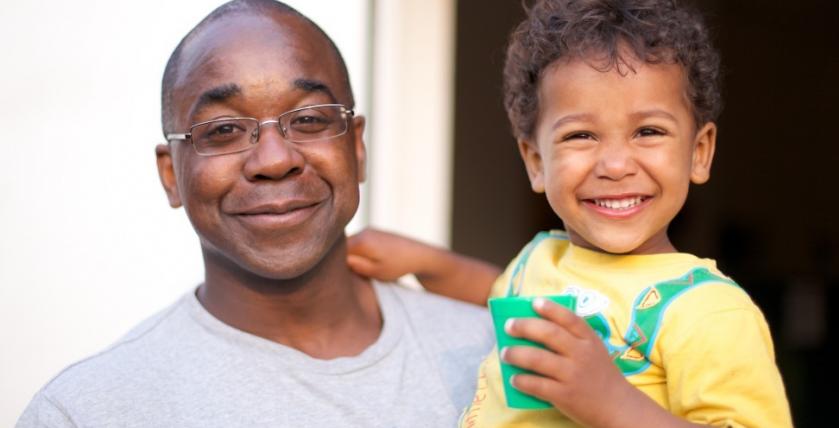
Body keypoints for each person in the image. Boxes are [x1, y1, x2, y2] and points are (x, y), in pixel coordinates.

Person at [16, 1, 493, 427]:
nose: (274, 160)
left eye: (308, 120)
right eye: (222, 130)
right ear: (171, 176)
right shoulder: (86, 412)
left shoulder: (495, 356)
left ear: (356, 147)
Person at [346, 0, 793, 426]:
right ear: (536, 162)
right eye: (581, 136)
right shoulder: (544, 259)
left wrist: (615, 405)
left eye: (649, 131)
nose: (615, 166)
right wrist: (426, 262)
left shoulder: (710, 311)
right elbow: (497, 292)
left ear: (698, 153)